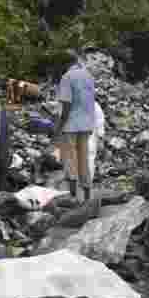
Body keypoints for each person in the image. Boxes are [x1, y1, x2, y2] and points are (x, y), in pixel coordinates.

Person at [55, 49, 96, 202]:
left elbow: (66, 106)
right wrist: (91, 124)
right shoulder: (89, 76)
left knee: (70, 161)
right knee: (84, 160)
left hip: (70, 125)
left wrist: (58, 128)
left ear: (66, 63)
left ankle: (73, 197)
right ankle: (86, 197)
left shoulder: (67, 77)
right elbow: (91, 102)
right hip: (86, 125)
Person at [88, 99, 105, 184]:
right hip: (90, 137)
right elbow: (100, 122)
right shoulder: (94, 105)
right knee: (89, 159)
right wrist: (101, 137)